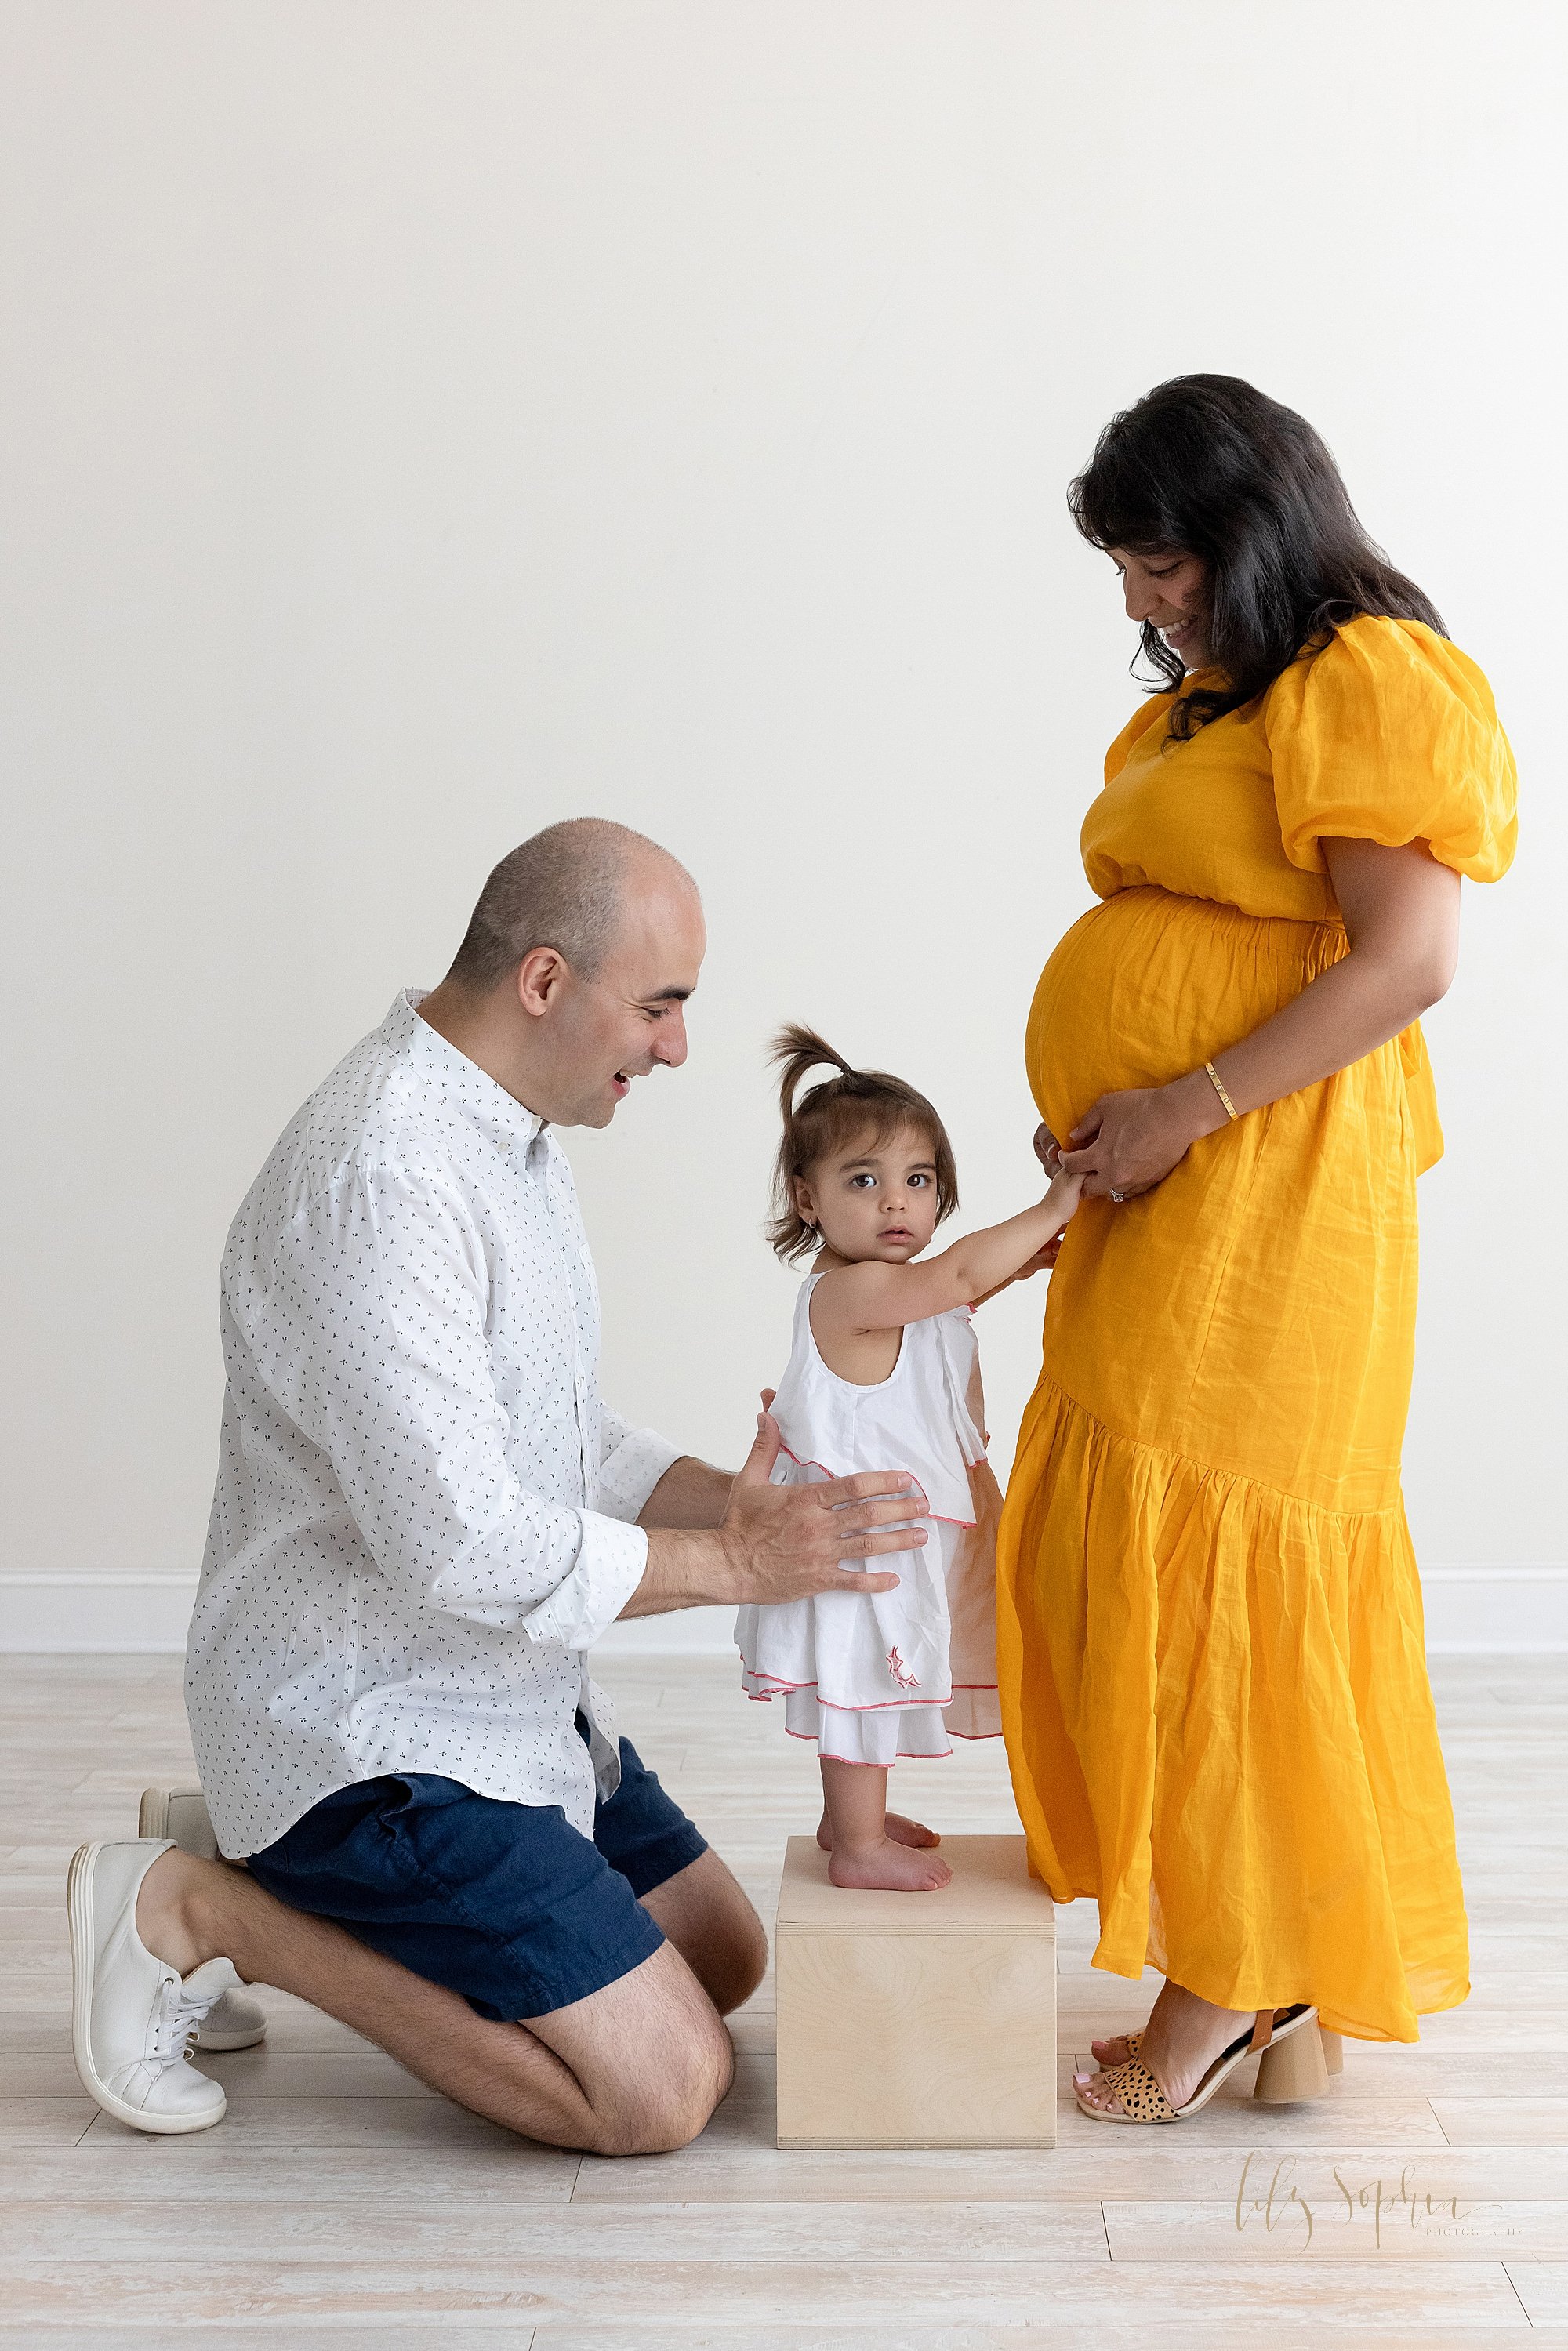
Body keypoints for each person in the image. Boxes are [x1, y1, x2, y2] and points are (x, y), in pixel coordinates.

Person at [67, 819, 934, 2154]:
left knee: (721, 1955)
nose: (676, 1047)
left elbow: (557, 1434)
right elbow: (461, 1543)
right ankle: (203, 1906)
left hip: (496, 1698)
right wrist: (741, 1571)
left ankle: (247, 1844)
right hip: (367, 1722)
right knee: (656, 2089)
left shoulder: (509, 1139)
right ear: (544, 981)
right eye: (659, 1005)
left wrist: (735, 1504)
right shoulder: (387, 1175)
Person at [996, 376, 1519, 2125]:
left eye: (1157, 560)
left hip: (1277, 1186)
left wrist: (1178, 1101)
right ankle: (1256, 1953)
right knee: (1125, 1546)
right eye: (1127, 569)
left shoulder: (1369, 674)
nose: (1139, 602)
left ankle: (1226, 1978)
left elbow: (1405, 958)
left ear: (1252, 527)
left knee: (1230, 1563)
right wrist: (1105, 1105)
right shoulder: (1224, 700)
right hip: (1172, 1178)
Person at [737, 1026, 1080, 1892]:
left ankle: (845, 1815)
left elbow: (951, 1293)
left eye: (917, 1180)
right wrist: (1052, 1206)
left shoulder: (896, 1291)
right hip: (860, 1539)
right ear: (806, 1199)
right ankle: (855, 1846)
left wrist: (1017, 1264)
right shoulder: (850, 1290)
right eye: (864, 1180)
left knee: (867, 1686)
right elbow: (955, 1279)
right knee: (863, 1680)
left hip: (888, 1529)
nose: (896, 1203)